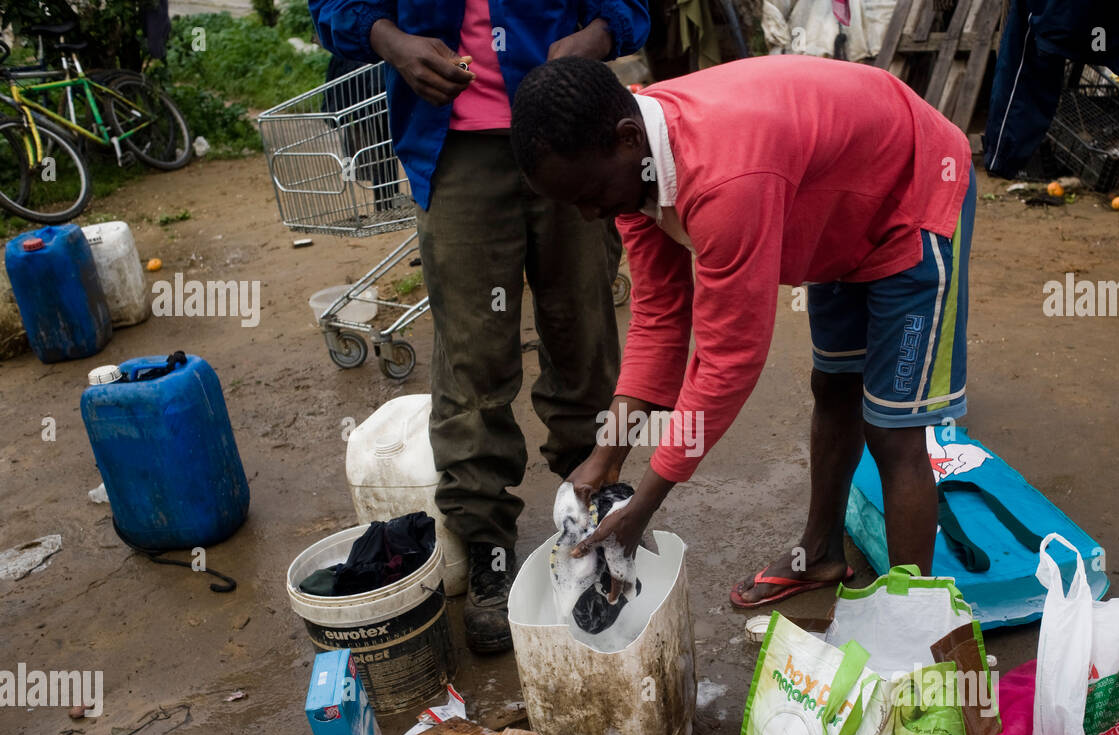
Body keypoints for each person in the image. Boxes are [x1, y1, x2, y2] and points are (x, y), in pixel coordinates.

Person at [509, 54, 975, 607]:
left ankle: (913, 620)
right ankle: (820, 553)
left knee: (892, 432)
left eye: (588, 196)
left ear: (628, 139)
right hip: (834, 203)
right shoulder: (630, 167)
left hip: (910, 192)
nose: (590, 215)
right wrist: (607, 455)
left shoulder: (725, 179)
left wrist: (644, 506)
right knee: (834, 386)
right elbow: (659, 317)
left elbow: (728, 362)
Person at [309, 2, 651, 651]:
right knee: (472, 357)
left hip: (569, 127)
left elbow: (631, 5)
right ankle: (489, 547)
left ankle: (596, 515)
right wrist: (392, 42)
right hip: (455, 143)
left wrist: (597, 34)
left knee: (585, 341)